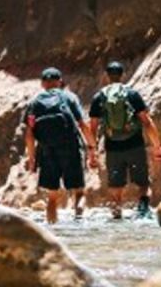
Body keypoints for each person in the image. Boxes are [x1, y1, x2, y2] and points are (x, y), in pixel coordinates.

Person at [89, 61, 161, 219]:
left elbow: (93, 127)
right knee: (143, 181)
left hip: (112, 147)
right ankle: (143, 211)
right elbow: (146, 122)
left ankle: (117, 213)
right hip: (135, 144)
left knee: (116, 184)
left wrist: (92, 151)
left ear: (107, 76)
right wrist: (157, 146)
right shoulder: (132, 94)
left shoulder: (99, 97)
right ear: (122, 75)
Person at [23, 67, 97, 224]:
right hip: (71, 148)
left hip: (47, 150)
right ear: (60, 81)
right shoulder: (69, 97)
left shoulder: (34, 103)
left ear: (42, 83)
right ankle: (79, 223)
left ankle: (53, 231)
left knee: (52, 197)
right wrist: (92, 148)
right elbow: (83, 125)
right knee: (79, 192)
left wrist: (31, 158)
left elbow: (29, 133)